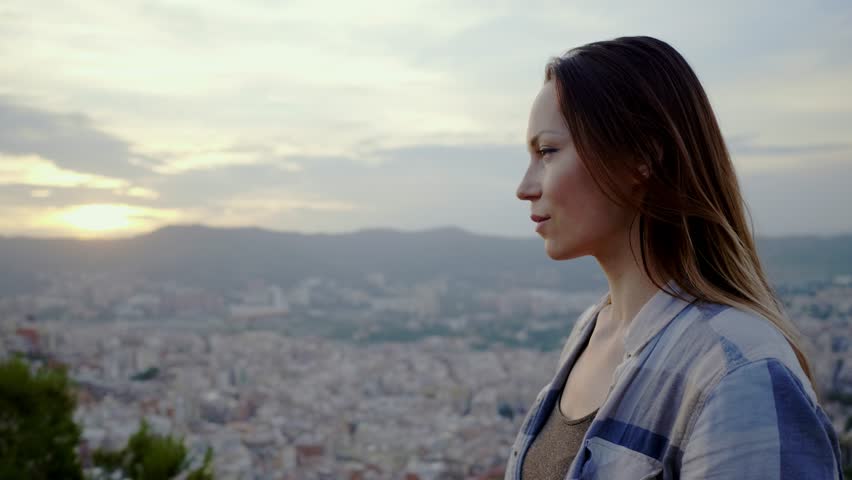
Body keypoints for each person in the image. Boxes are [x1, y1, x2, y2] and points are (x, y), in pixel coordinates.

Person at [508, 36, 843, 479]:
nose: (525, 187)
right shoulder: (591, 330)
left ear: (642, 157)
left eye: (548, 152)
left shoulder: (739, 373)